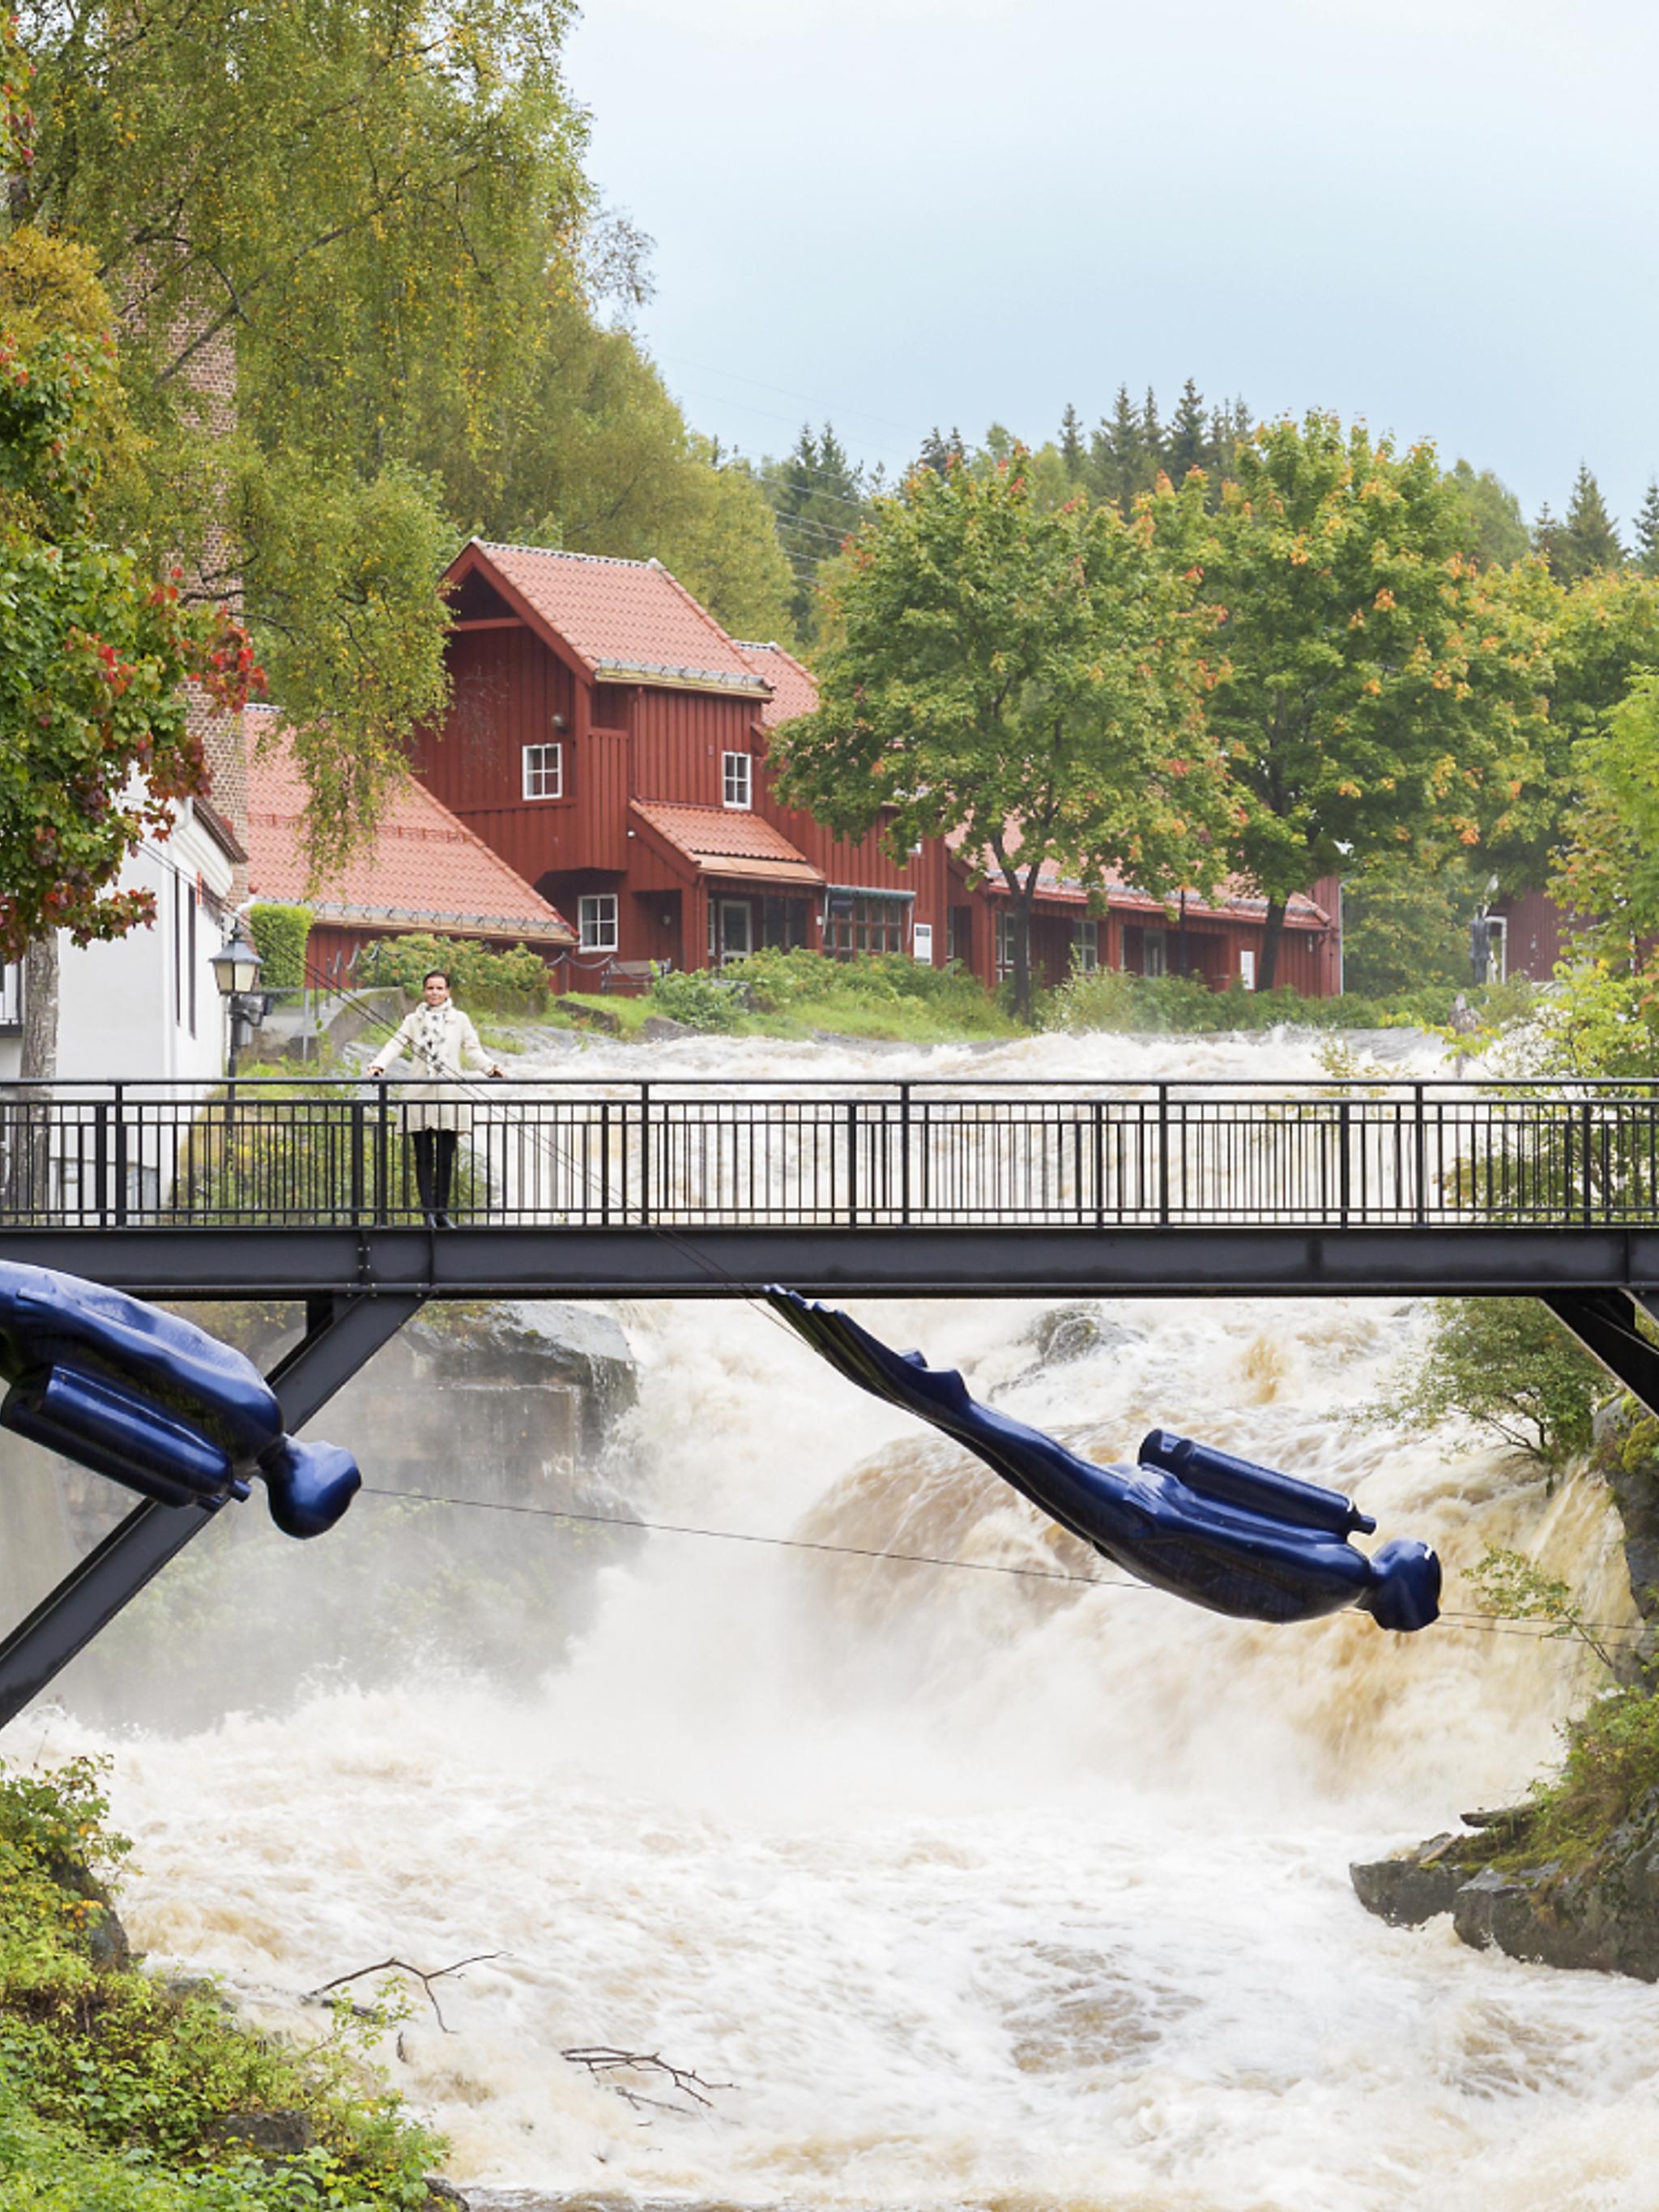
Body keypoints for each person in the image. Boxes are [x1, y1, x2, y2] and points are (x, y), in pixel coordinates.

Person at [366, 970, 505, 1224]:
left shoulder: (460, 1020)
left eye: (440, 988)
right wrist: (378, 1065)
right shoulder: (413, 1020)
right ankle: (428, 1212)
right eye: (430, 988)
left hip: (449, 1096)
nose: (435, 993)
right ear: (424, 991)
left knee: (445, 1158)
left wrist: (490, 1068)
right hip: (419, 1094)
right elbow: (395, 1044)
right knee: (423, 1157)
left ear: (448, 992)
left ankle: (442, 1212)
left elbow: (473, 1050)